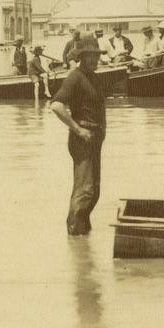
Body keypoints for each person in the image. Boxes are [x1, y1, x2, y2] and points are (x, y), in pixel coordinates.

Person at [49, 33, 108, 236]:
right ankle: (75, 233)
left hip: (95, 138)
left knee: (95, 190)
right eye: (89, 56)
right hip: (82, 138)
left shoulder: (94, 77)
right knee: (84, 190)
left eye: (96, 55)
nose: (94, 59)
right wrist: (78, 129)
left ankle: (83, 240)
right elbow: (56, 106)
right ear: (81, 57)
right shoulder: (75, 77)